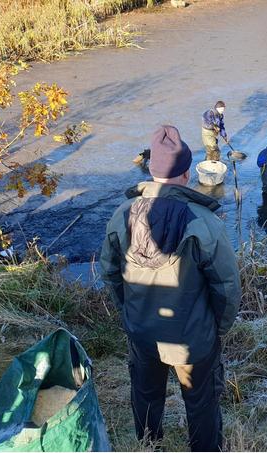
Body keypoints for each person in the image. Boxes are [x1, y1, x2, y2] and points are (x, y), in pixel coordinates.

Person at [100, 125, 241, 451]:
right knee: (202, 403)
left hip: (142, 332)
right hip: (194, 339)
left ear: (151, 171)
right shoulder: (203, 222)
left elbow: (110, 274)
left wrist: (130, 316)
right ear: (187, 173)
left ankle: (149, 446)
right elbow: (227, 287)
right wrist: (217, 329)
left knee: (146, 396)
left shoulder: (121, 215)